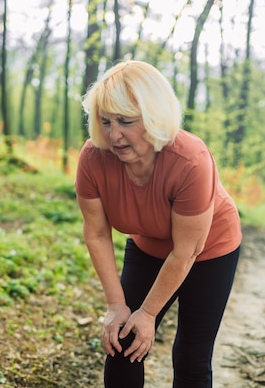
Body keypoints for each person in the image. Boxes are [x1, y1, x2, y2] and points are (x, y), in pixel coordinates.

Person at [75, 60, 242, 388]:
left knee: (190, 355)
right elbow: (95, 232)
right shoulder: (95, 158)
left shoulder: (190, 160)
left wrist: (148, 313)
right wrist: (116, 305)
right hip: (147, 245)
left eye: (125, 121)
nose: (114, 134)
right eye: (106, 121)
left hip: (208, 251)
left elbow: (185, 251)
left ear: (154, 117)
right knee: (122, 342)